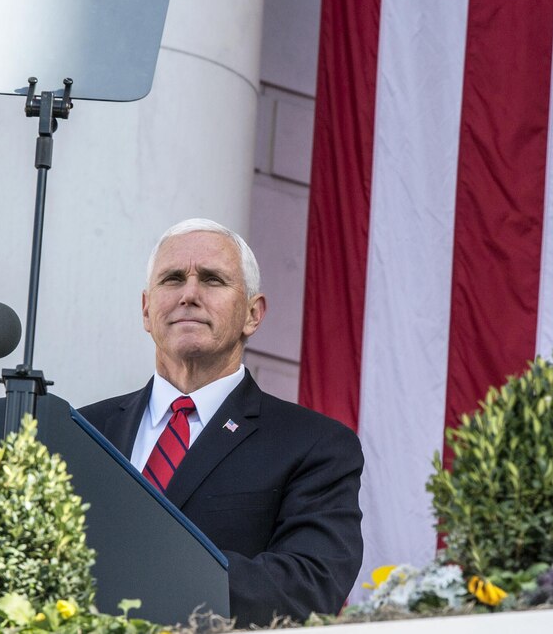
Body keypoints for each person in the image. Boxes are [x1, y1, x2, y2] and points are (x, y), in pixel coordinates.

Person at [79, 218, 364, 626]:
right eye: (173, 279)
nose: (189, 294)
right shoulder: (86, 429)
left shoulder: (315, 445)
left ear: (252, 313)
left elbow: (311, 584)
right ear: (146, 309)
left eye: (212, 280)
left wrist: (151, 571)